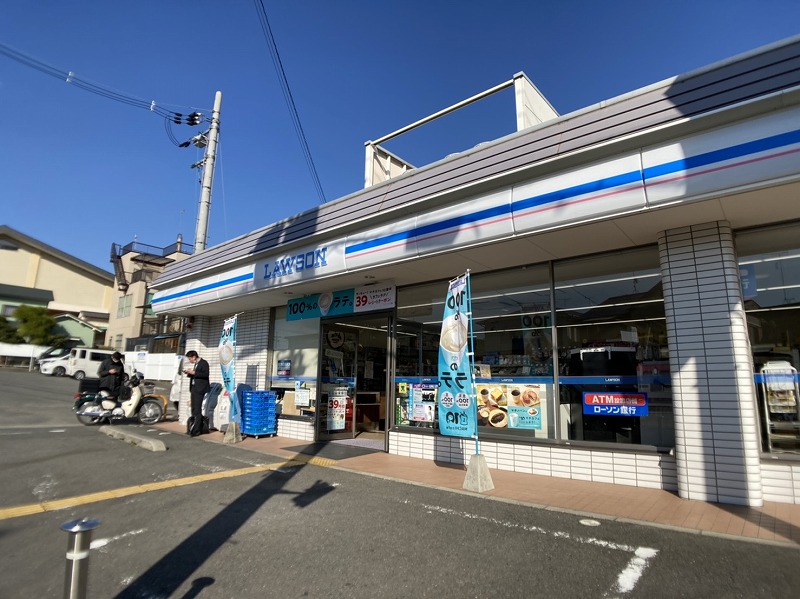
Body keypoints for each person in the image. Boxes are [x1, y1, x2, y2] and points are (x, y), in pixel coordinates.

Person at [183, 350, 210, 436]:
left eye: (190, 358)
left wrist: (194, 372)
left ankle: (196, 430)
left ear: (194, 357)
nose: (189, 360)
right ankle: (193, 427)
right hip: (194, 388)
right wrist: (189, 373)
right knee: (193, 408)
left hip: (200, 389)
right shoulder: (196, 364)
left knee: (197, 409)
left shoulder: (204, 363)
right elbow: (197, 375)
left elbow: (205, 374)